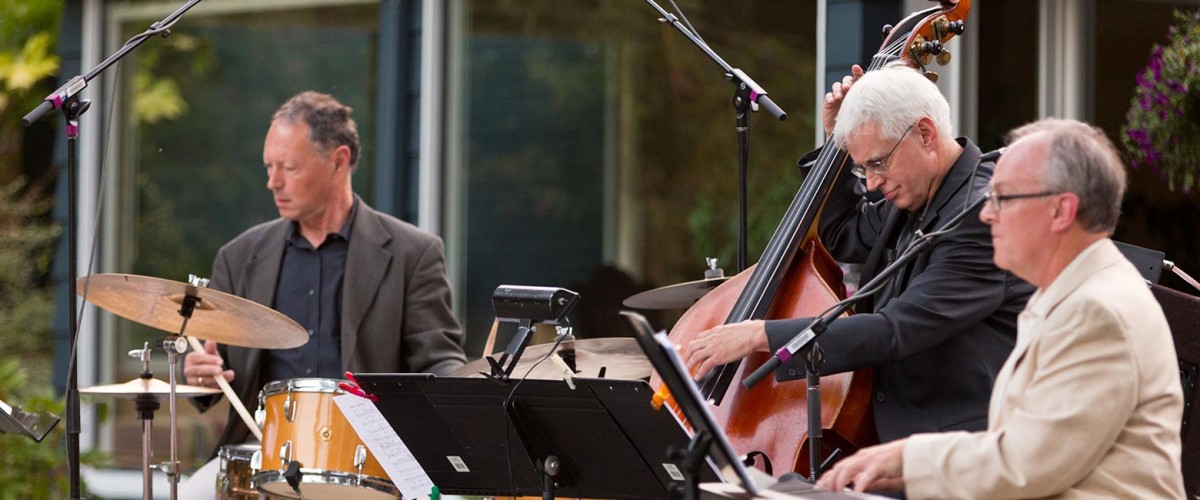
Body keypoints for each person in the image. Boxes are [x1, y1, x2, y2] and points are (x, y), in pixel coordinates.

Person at [815, 118, 1186, 498]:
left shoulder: (1098, 311)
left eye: (1002, 198)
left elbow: (1030, 465)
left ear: (1060, 211)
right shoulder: (1068, 294)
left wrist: (908, 459)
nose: (987, 213)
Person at [683, 64, 1033, 444]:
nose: (871, 182)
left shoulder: (979, 217)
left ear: (926, 134)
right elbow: (842, 232)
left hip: (965, 450)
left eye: (879, 162)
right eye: (861, 168)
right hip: (903, 440)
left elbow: (895, 328)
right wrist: (835, 140)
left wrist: (760, 335)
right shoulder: (915, 194)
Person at [180, 91, 467, 493]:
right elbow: (210, 369)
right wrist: (199, 375)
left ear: (339, 161)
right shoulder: (240, 256)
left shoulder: (413, 253)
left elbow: (439, 362)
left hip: (371, 460)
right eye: (269, 167)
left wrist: (471, 394)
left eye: (289, 168)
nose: (273, 182)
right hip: (260, 453)